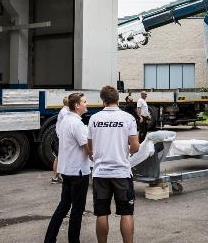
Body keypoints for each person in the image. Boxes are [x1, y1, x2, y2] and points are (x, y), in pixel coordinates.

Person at [88, 85, 140, 243]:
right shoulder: (128, 118)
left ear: (103, 100)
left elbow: (90, 147)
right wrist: (125, 150)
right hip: (121, 173)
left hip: (100, 173)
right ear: (117, 98)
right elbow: (136, 147)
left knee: (102, 213)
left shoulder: (94, 119)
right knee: (126, 213)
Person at [44, 92, 91, 243]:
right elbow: (87, 148)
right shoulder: (77, 124)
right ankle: (73, 240)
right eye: (84, 102)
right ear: (77, 105)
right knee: (77, 210)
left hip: (67, 170)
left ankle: (50, 239)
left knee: (63, 206)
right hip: (78, 171)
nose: (86, 104)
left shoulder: (65, 120)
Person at [51, 96, 70, 184]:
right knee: (59, 157)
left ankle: (56, 176)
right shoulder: (65, 112)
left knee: (59, 157)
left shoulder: (63, 111)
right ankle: (55, 177)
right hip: (60, 137)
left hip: (59, 136)